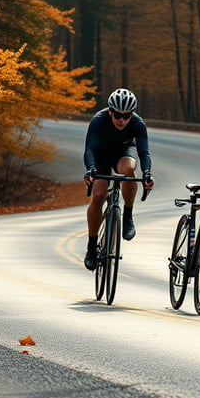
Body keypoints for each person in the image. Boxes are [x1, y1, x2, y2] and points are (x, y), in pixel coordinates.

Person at [83, 88, 154, 271]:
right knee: (98, 195)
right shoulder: (99, 120)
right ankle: (91, 247)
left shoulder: (138, 124)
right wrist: (90, 170)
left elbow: (144, 153)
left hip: (123, 153)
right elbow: (89, 149)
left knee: (129, 169)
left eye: (127, 115)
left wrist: (147, 173)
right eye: (117, 115)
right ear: (110, 111)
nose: (122, 119)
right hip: (101, 156)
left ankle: (128, 214)